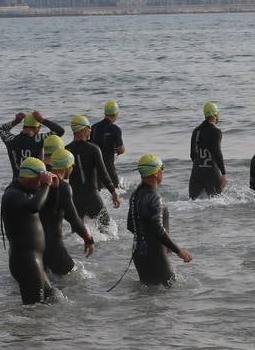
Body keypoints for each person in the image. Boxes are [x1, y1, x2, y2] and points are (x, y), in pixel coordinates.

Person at [127, 154, 193, 286]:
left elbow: (130, 225)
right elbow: (158, 229)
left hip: (138, 253)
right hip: (155, 254)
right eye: (162, 168)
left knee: (149, 296)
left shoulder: (135, 195)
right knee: (169, 294)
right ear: (156, 173)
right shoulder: (154, 197)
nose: (163, 171)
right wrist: (178, 251)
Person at [0, 156, 57, 304]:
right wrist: (46, 186)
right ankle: (26, 328)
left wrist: (53, 189)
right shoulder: (13, 195)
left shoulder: (26, 192)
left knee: (52, 297)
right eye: (39, 180)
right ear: (30, 178)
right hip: (25, 261)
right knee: (34, 307)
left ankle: (54, 328)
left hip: (33, 260)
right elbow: (34, 207)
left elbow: (48, 209)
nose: (40, 184)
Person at [41, 149, 94, 276]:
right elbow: (74, 218)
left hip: (34, 244)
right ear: (67, 167)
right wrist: (88, 239)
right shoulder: (63, 187)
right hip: (53, 245)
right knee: (74, 281)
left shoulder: (41, 182)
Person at [66, 114, 120, 224]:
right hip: (92, 196)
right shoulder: (93, 149)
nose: (90, 130)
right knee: (106, 229)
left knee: (78, 233)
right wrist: (114, 193)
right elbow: (103, 174)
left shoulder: (66, 150)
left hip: (75, 198)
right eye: (89, 128)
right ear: (84, 129)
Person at [0, 110, 66, 177]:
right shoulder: (39, 139)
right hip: (35, 182)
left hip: (17, 182)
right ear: (38, 128)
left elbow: (2, 130)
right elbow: (60, 131)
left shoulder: (11, 140)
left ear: (24, 126)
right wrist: (42, 120)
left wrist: (15, 121)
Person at [189, 101, 227, 199]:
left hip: (197, 172)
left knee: (192, 202)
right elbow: (217, 153)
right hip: (211, 172)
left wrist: (200, 165)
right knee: (217, 202)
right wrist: (223, 174)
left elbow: (192, 155)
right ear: (215, 115)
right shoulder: (216, 132)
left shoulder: (196, 131)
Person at [91, 100, 126, 190]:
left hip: (95, 165)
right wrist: (120, 150)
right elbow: (120, 149)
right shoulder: (115, 129)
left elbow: (90, 145)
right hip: (108, 164)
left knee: (98, 189)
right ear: (116, 113)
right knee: (116, 189)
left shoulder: (94, 127)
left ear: (105, 113)